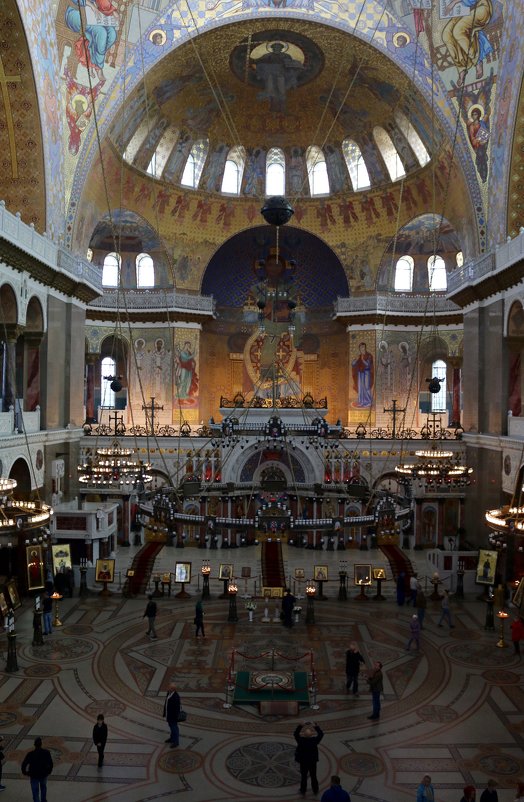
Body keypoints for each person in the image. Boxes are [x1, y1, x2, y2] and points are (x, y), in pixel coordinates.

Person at [293, 720, 324, 797]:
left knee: (303, 777)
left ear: (304, 734)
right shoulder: (314, 741)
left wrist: (300, 726)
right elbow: (321, 734)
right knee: (314, 776)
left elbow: (295, 734)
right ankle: (315, 789)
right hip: (312, 762)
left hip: (303, 762)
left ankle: (303, 790)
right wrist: (315, 726)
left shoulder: (301, 741)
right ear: (311, 735)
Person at [21, 737, 53, 802]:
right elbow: (51, 763)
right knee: (43, 787)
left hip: (34, 775)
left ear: (34, 745)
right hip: (43, 774)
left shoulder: (30, 754)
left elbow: (24, 764)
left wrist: (25, 772)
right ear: (41, 744)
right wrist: (49, 771)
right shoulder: (46, 753)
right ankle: (43, 800)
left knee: (35, 790)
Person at [351, 341, 374, 407]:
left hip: (367, 373)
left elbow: (368, 365)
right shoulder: (359, 356)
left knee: (366, 387)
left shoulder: (369, 355)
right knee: (361, 388)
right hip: (360, 374)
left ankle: (368, 401)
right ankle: (361, 401)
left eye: (363, 347)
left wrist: (362, 359)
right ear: (359, 348)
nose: (362, 349)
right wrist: (355, 360)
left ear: (365, 348)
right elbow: (353, 364)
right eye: (360, 347)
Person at [163, 683, 181, 748]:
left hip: (173, 716)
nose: (168, 688)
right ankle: (172, 738)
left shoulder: (176, 696)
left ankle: (176, 742)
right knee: (171, 727)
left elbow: (177, 708)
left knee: (174, 728)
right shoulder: (169, 693)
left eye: (169, 687)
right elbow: (166, 703)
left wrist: (175, 717)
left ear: (172, 689)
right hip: (169, 714)